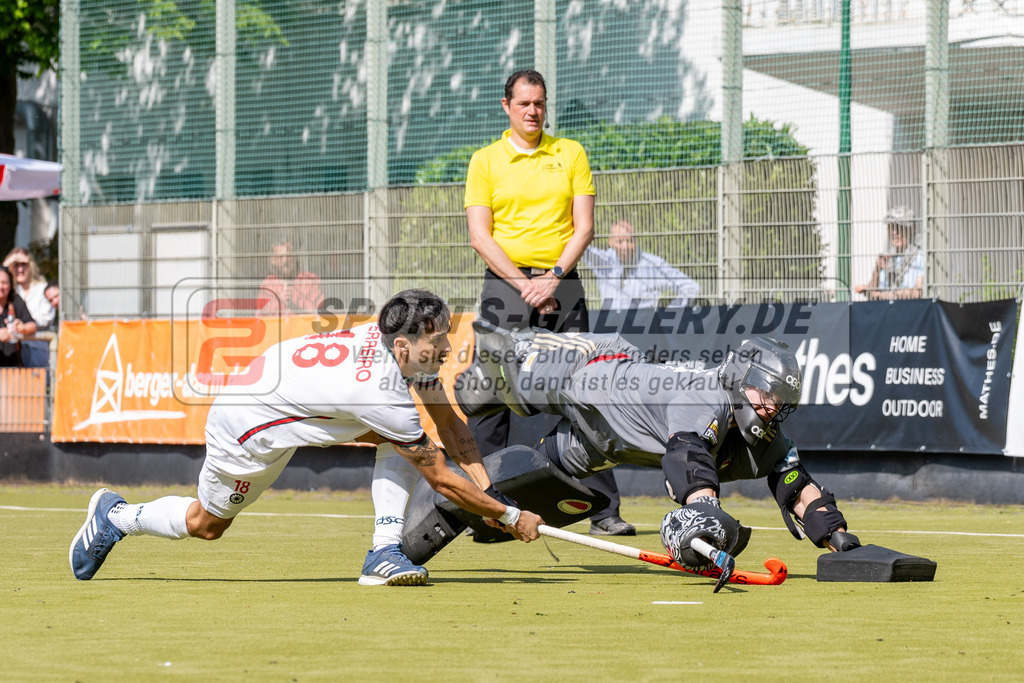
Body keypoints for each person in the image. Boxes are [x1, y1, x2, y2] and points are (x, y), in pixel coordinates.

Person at [69, 289, 545, 585]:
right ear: (404, 345)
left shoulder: (396, 350)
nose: (446, 349)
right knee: (206, 524)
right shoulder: (378, 390)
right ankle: (116, 515)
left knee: (398, 439)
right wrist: (508, 514)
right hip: (245, 430)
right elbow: (440, 476)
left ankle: (383, 552)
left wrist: (489, 494)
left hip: (283, 402)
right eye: (437, 342)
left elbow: (449, 424)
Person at [454, 322, 861, 568]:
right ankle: (490, 373)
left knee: (521, 483)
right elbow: (688, 457)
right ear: (742, 378)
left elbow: (795, 484)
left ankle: (452, 506)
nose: (773, 409)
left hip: (601, 443)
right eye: (767, 395)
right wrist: (703, 511)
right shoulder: (708, 396)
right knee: (502, 367)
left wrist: (839, 539)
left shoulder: (761, 434)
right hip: (592, 374)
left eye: (780, 402)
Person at [462, 68, 633, 536]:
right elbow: (480, 236)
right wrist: (524, 284)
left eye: (539, 103)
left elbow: (584, 227)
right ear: (506, 107)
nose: (533, 111)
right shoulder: (485, 161)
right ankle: (487, 512)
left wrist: (554, 277)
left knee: (587, 391)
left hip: (564, 284)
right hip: (505, 286)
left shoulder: (570, 153)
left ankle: (604, 511)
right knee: (490, 400)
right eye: (524, 104)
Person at [582, 219, 700, 309]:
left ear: (636, 240)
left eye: (629, 241)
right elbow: (578, 247)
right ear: (610, 241)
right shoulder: (602, 261)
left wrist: (670, 313)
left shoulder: (652, 265)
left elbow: (691, 287)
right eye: (620, 241)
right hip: (609, 334)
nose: (625, 247)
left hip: (640, 334)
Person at [853, 206, 925, 301]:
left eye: (900, 227)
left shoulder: (921, 256)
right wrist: (877, 271)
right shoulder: (888, 256)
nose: (895, 232)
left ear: (913, 228)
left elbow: (918, 292)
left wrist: (885, 295)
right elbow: (873, 292)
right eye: (891, 227)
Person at [3, 247, 53, 367]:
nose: (20, 269)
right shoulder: (9, 291)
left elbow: (46, 319)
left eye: (24, 264)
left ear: (30, 265)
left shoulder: (41, 288)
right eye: (15, 265)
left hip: (37, 348)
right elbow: (2, 273)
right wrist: (10, 259)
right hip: (13, 351)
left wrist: (25, 324)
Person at [258, 238, 324, 314]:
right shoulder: (268, 284)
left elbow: (320, 311)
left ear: (295, 257)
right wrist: (279, 301)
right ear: (273, 260)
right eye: (280, 257)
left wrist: (294, 297)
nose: (285, 260)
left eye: (289, 256)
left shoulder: (310, 280)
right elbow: (261, 315)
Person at [0, 265, 38, 367]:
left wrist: (22, 328)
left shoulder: (15, 300)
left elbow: (33, 326)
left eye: (4, 283)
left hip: (12, 367)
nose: (1, 287)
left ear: (10, 285)